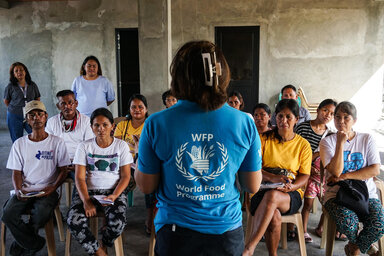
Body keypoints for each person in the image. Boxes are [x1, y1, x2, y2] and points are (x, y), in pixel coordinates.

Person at [136, 40, 262, 255]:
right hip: (225, 233)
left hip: (175, 233)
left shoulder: (156, 123)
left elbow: (146, 186)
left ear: (179, 76)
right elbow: (252, 185)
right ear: (222, 75)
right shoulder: (245, 122)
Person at [243, 99, 312, 256]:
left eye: (289, 117)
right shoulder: (263, 139)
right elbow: (254, 169)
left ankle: (250, 247)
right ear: (275, 117)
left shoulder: (303, 145)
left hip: (290, 194)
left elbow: (305, 175)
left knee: (273, 195)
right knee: (273, 215)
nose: (284, 121)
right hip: (260, 189)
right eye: (280, 116)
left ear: (297, 119)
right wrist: (273, 177)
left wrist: (292, 187)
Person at [2, 100, 70, 255]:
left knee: (40, 214)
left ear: (46, 117)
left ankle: (23, 247)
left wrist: (52, 188)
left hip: (48, 190)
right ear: (27, 119)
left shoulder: (57, 142)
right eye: (32, 115)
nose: (36, 118)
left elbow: (63, 170)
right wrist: (18, 190)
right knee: (8, 214)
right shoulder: (19, 144)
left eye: (40, 114)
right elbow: (16, 173)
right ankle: (34, 243)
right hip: (25, 190)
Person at [320, 101, 384, 256]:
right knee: (348, 223)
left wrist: (345, 176)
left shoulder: (367, 139)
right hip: (337, 196)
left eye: (346, 118)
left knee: (379, 225)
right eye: (337, 117)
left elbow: (374, 169)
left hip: (366, 194)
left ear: (354, 120)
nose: (341, 121)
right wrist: (341, 143)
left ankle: (353, 248)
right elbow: (335, 172)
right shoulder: (327, 142)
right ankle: (368, 249)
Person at [67, 108, 132, 256]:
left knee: (118, 224)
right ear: (91, 127)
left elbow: (126, 176)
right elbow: (79, 178)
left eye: (105, 125)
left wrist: (114, 196)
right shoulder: (84, 146)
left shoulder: (121, 146)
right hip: (87, 191)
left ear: (112, 126)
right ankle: (98, 252)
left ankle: (105, 243)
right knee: (73, 221)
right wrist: (86, 201)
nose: (100, 129)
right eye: (96, 125)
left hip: (112, 191)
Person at [295, 98, 337, 243]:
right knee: (306, 204)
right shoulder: (302, 128)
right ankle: (299, 229)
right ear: (318, 110)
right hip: (302, 171)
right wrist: (307, 167)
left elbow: (331, 157)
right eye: (325, 110)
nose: (327, 115)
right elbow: (296, 152)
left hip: (320, 176)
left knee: (329, 203)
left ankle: (321, 228)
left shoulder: (331, 134)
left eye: (331, 114)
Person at [113, 94, 153, 234]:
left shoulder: (150, 124)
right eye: (133, 107)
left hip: (144, 163)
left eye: (140, 107)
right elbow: (116, 147)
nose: (137, 110)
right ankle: (116, 218)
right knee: (117, 184)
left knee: (150, 187)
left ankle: (150, 218)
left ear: (146, 109)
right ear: (129, 109)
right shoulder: (123, 125)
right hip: (125, 163)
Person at [46, 90, 94, 179]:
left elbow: (89, 145)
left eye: (70, 103)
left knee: (81, 180)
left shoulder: (87, 121)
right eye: (63, 104)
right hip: (58, 163)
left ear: (76, 103)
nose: (67, 106)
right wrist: (59, 163)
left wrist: (78, 163)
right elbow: (48, 146)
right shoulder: (51, 122)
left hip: (79, 162)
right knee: (44, 180)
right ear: (58, 106)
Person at [3, 62, 41, 142]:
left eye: (21, 70)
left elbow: (37, 98)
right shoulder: (10, 87)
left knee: (36, 135)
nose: (19, 72)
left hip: (30, 114)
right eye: (16, 71)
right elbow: (6, 101)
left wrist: (34, 110)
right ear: (13, 74)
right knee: (17, 139)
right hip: (14, 116)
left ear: (25, 71)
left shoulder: (32, 85)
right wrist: (15, 108)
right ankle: (19, 154)